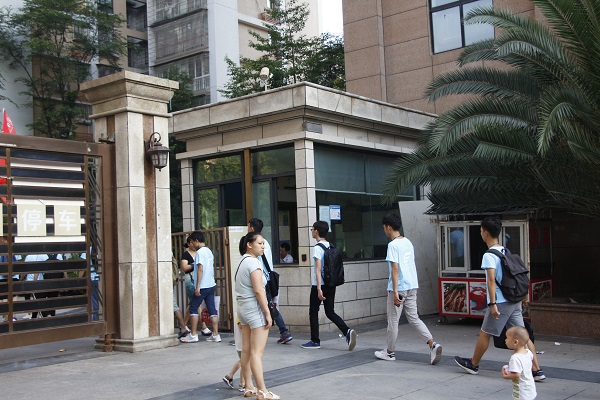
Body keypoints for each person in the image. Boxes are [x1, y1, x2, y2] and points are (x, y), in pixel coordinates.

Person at [455, 216, 545, 381]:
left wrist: (492, 303)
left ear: (486, 233)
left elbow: (491, 280)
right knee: (522, 335)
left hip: (501, 301)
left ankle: (473, 364)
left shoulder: (489, 255)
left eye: (481, 230)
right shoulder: (504, 250)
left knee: (485, 333)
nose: (481, 233)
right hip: (514, 300)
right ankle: (536, 370)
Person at [374, 214, 442, 364]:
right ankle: (432, 344)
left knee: (393, 321)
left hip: (399, 288)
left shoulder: (392, 245)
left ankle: (389, 352)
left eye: (384, 227)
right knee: (414, 318)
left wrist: (395, 291)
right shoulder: (408, 242)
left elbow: (395, 269)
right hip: (412, 285)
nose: (384, 230)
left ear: (389, 227)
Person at [236, 231, 280, 399]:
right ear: (249, 244)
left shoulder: (241, 261)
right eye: (260, 243)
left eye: (263, 243)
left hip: (243, 309)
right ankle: (262, 391)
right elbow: (258, 290)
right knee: (256, 353)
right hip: (254, 310)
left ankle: (248, 387)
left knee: (246, 351)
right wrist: (268, 313)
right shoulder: (254, 262)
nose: (263, 246)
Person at [302, 220, 356, 351]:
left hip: (319, 285)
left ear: (316, 231)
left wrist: (319, 289)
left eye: (312, 229)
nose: (311, 231)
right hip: (331, 284)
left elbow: (318, 270)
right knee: (330, 311)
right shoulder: (331, 246)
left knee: (313, 312)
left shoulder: (317, 248)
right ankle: (347, 331)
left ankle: (315, 341)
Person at [247, 218, 292, 344]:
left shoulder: (255, 244)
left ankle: (283, 331)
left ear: (251, 228)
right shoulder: (265, 242)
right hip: (267, 279)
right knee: (269, 306)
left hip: (260, 280)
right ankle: (283, 332)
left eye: (248, 226)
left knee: (265, 306)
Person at [180, 231, 220, 343]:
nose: (192, 245)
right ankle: (216, 335)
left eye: (192, 242)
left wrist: (197, 286)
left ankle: (193, 335)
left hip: (203, 286)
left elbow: (200, 269)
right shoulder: (209, 251)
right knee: (212, 310)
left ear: (196, 241)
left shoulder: (199, 253)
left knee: (193, 308)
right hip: (211, 284)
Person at [179, 236, 211, 340]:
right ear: (189, 244)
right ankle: (203, 326)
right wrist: (195, 265)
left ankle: (183, 325)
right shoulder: (186, 254)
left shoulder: (200, 252)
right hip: (191, 281)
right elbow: (184, 268)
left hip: (200, 280)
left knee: (193, 303)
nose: (194, 244)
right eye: (192, 243)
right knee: (197, 302)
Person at [502, 326, 537, 400]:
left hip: (522, 392)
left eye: (507, 338)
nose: (505, 340)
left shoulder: (515, 358)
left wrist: (505, 375)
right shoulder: (528, 352)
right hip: (530, 388)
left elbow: (516, 375)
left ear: (515, 342)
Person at [222, 318, 246, 392]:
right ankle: (242, 384)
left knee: (243, 361)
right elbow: (241, 326)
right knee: (245, 362)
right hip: (243, 343)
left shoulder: (240, 314)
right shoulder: (240, 314)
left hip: (242, 343)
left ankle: (229, 376)